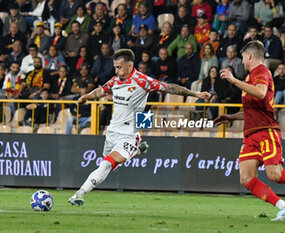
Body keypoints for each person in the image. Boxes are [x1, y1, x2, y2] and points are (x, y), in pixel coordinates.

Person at [68, 48, 211, 206]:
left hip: (129, 134)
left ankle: (79, 194)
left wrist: (196, 94)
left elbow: (169, 88)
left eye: (119, 67)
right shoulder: (115, 81)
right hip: (112, 132)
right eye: (115, 67)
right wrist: (85, 97)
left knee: (107, 163)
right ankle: (137, 150)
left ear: (130, 66)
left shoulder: (142, 81)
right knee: (108, 167)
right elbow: (100, 92)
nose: (116, 70)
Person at [215, 40, 285, 221]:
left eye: (243, 58)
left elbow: (260, 93)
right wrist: (231, 117)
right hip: (251, 135)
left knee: (274, 175)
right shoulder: (249, 78)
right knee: (246, 178)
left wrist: (233, 80)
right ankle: (284, 207)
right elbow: (253, 109)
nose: (243, 62)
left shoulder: (261, 72)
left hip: (266, 131)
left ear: (250, 56)